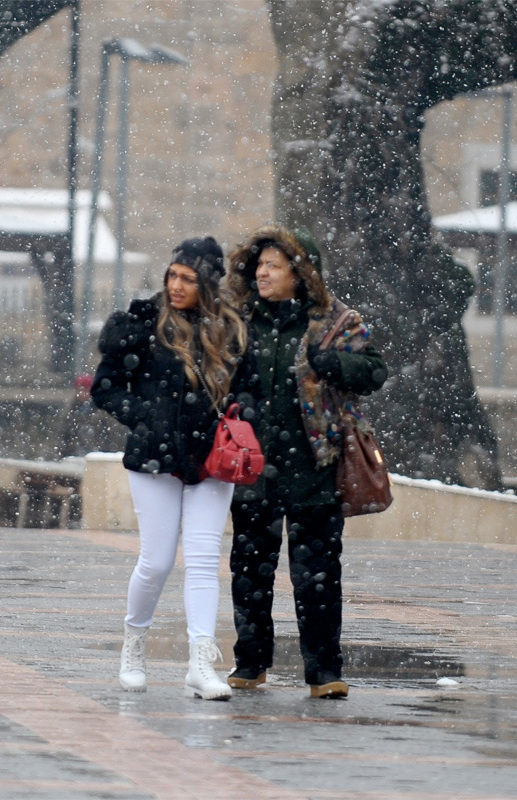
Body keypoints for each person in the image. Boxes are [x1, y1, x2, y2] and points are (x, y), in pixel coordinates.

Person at [92, 237, 260, 700]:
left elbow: (251, 389)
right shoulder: (144, 325)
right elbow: (105, 388)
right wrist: (145, 416)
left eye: (187, 278)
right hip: (154, 459)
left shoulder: (231, 331)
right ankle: (134, 645)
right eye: (172, 275)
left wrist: (242, 411)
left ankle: (200, 664)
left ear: (207, 283)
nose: (176, 285)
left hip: (212, 459)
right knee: (158, 561)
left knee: (204, 562)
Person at [223, 225, 387, 699]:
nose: (262, 273)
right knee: (249, 573)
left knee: (317, 576)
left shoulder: (336, 323)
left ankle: (323, 672)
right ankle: (251, 663)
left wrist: (333, 364)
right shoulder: (240, 320)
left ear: (300, 273)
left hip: (316, 469)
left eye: (273, 265)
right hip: (252, 469)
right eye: (258, 265)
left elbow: (375, 370)